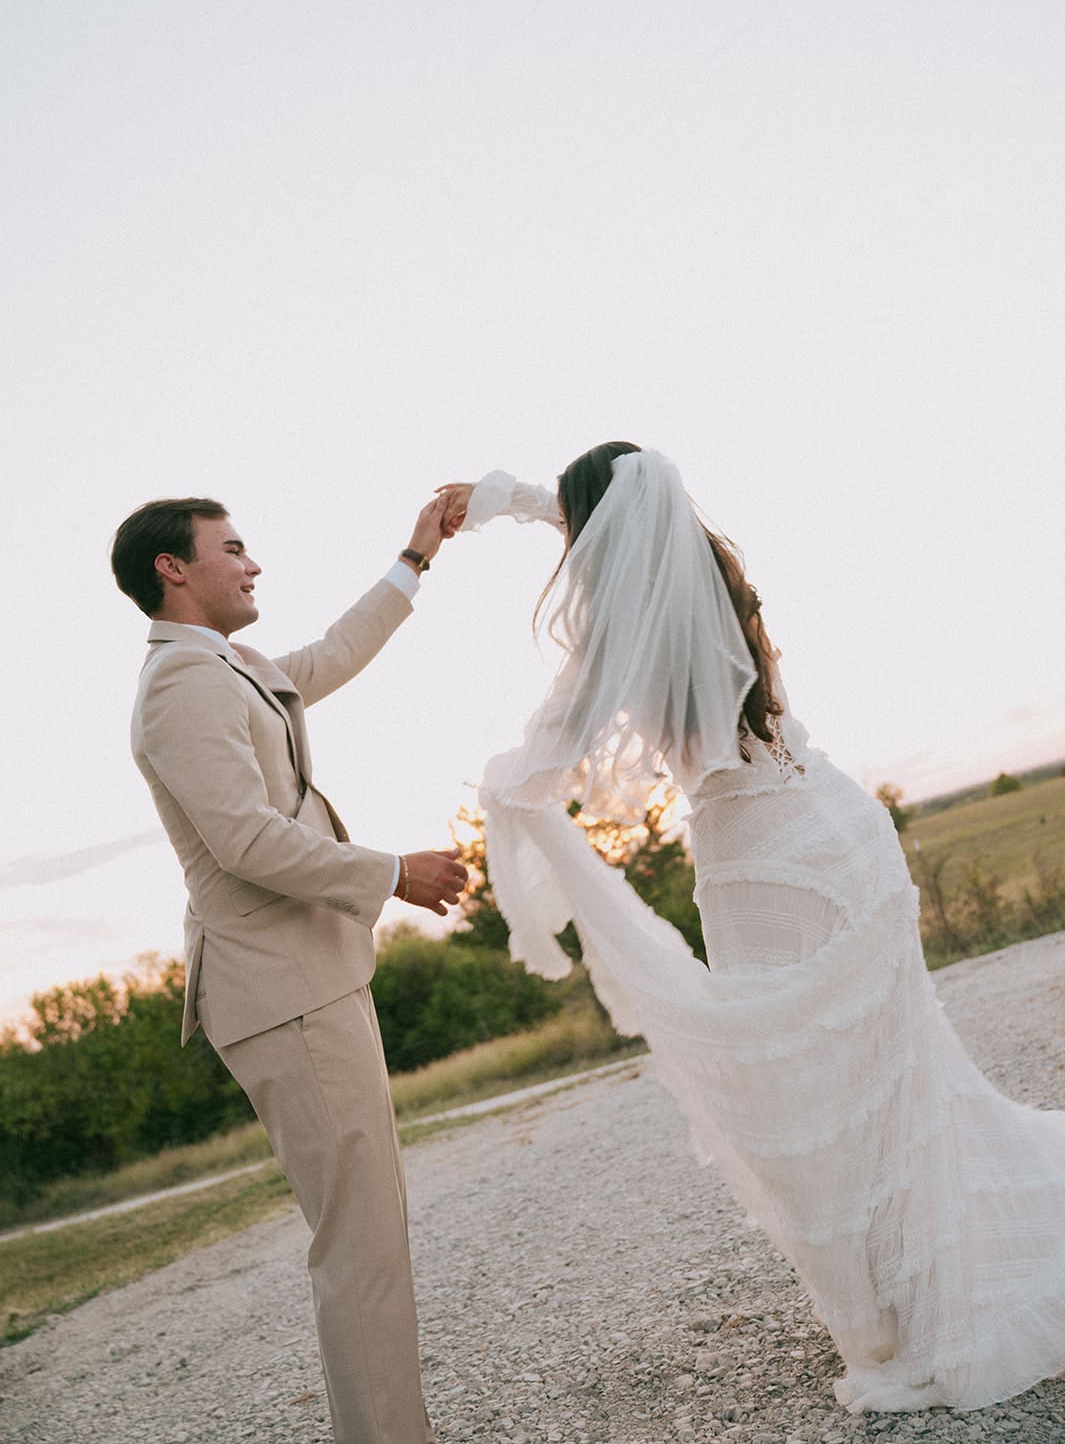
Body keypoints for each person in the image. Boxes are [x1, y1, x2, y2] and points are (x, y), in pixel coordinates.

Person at [439, 444, 1065, 1415]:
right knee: (897, 1081)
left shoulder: (630, 629)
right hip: (839, 828)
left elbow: (543, 760)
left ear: (599, 536)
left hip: (764, 863)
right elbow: (620, 521)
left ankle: (897, 1321)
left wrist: (499, 785)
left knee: (806, 1102)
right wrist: (514, 501)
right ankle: (928, 1278)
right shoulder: (708, 572)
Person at [110, 493, 467, 1444]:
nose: (253, 563)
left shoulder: (234, 667)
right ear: (171, 570)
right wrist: (392, 872)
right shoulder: (180, 686)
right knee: (360, 1245)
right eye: (232, 549)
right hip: (280, 995)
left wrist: (416, 554)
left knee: (371, 1233)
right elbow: (243, 841)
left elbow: (336, 654)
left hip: (311, 981)